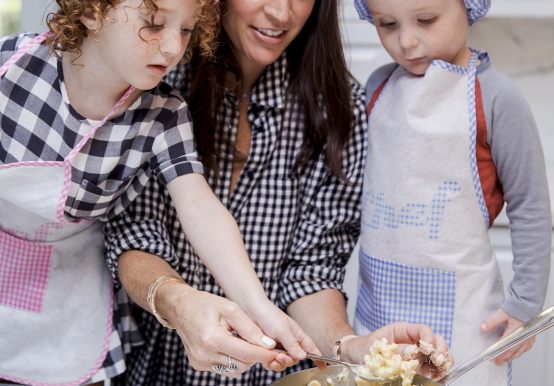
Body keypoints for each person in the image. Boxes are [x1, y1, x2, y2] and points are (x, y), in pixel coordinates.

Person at [104, 0, 453, 385]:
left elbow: (311, 271)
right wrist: (180, 304)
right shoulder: (158, 78)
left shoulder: (337, 110)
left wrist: (350, 347)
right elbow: (133, 235)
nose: (282, 13)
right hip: (149, 368)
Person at [0, 0, 319, 384]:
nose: (172, 48)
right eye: (153, 24)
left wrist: (260, 307)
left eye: (185, 30)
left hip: (69, 306)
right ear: (90, 11)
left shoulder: (163, 115)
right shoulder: (10, 67)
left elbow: (201, 209)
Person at [352, 0, 552, 385]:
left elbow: (531, 204)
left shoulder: (496, 97)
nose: (407, 41)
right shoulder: (378, 87)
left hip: (463, 316)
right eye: (387, 24)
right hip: (379, 308)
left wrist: (524, 303)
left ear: (469, 7)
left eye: (426, 20)